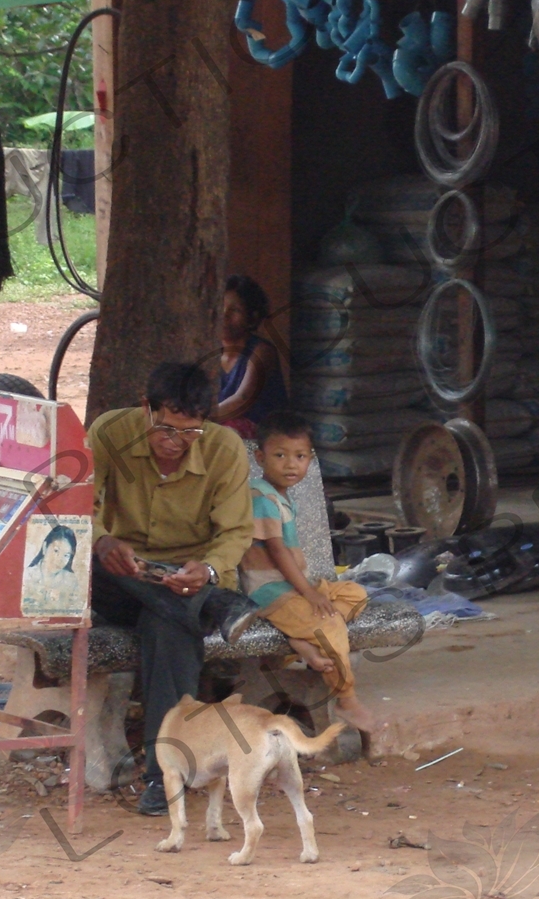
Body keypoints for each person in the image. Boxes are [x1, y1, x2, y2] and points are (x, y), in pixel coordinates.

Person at [88, 360, 259, 813]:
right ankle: (216, 605)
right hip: (115, 578)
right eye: (165, 429)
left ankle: (164, 777)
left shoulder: (225, 449)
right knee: (110, 569)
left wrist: (206, 570)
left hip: (185, 583)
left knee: (168, 628)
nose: (174, 443)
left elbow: (236, 532)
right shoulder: (109, 433)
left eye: (189, 433)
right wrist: (102, 539)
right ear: (145, 408)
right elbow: (74, 506)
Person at [238, 411, 383, 754]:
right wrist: (307, 592)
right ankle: (346, 699)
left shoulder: (280, 494)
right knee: (330, 626)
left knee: (354, 593)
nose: (291, 464)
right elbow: (276, 552)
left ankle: (301, 638)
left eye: (300, 456)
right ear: (260, 458)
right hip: (271, 591)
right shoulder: (262, 496)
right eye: (280, 455)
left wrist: (312, 592)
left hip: (295, 587)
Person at [214, 274, 290, 439]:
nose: (224, 316)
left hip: (267, 434)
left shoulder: (261, 351)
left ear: (252, 318)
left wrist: (199, 418)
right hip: (220, 423)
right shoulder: (211, 352)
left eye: (234, 310)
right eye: (221, 307)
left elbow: (242, 400)